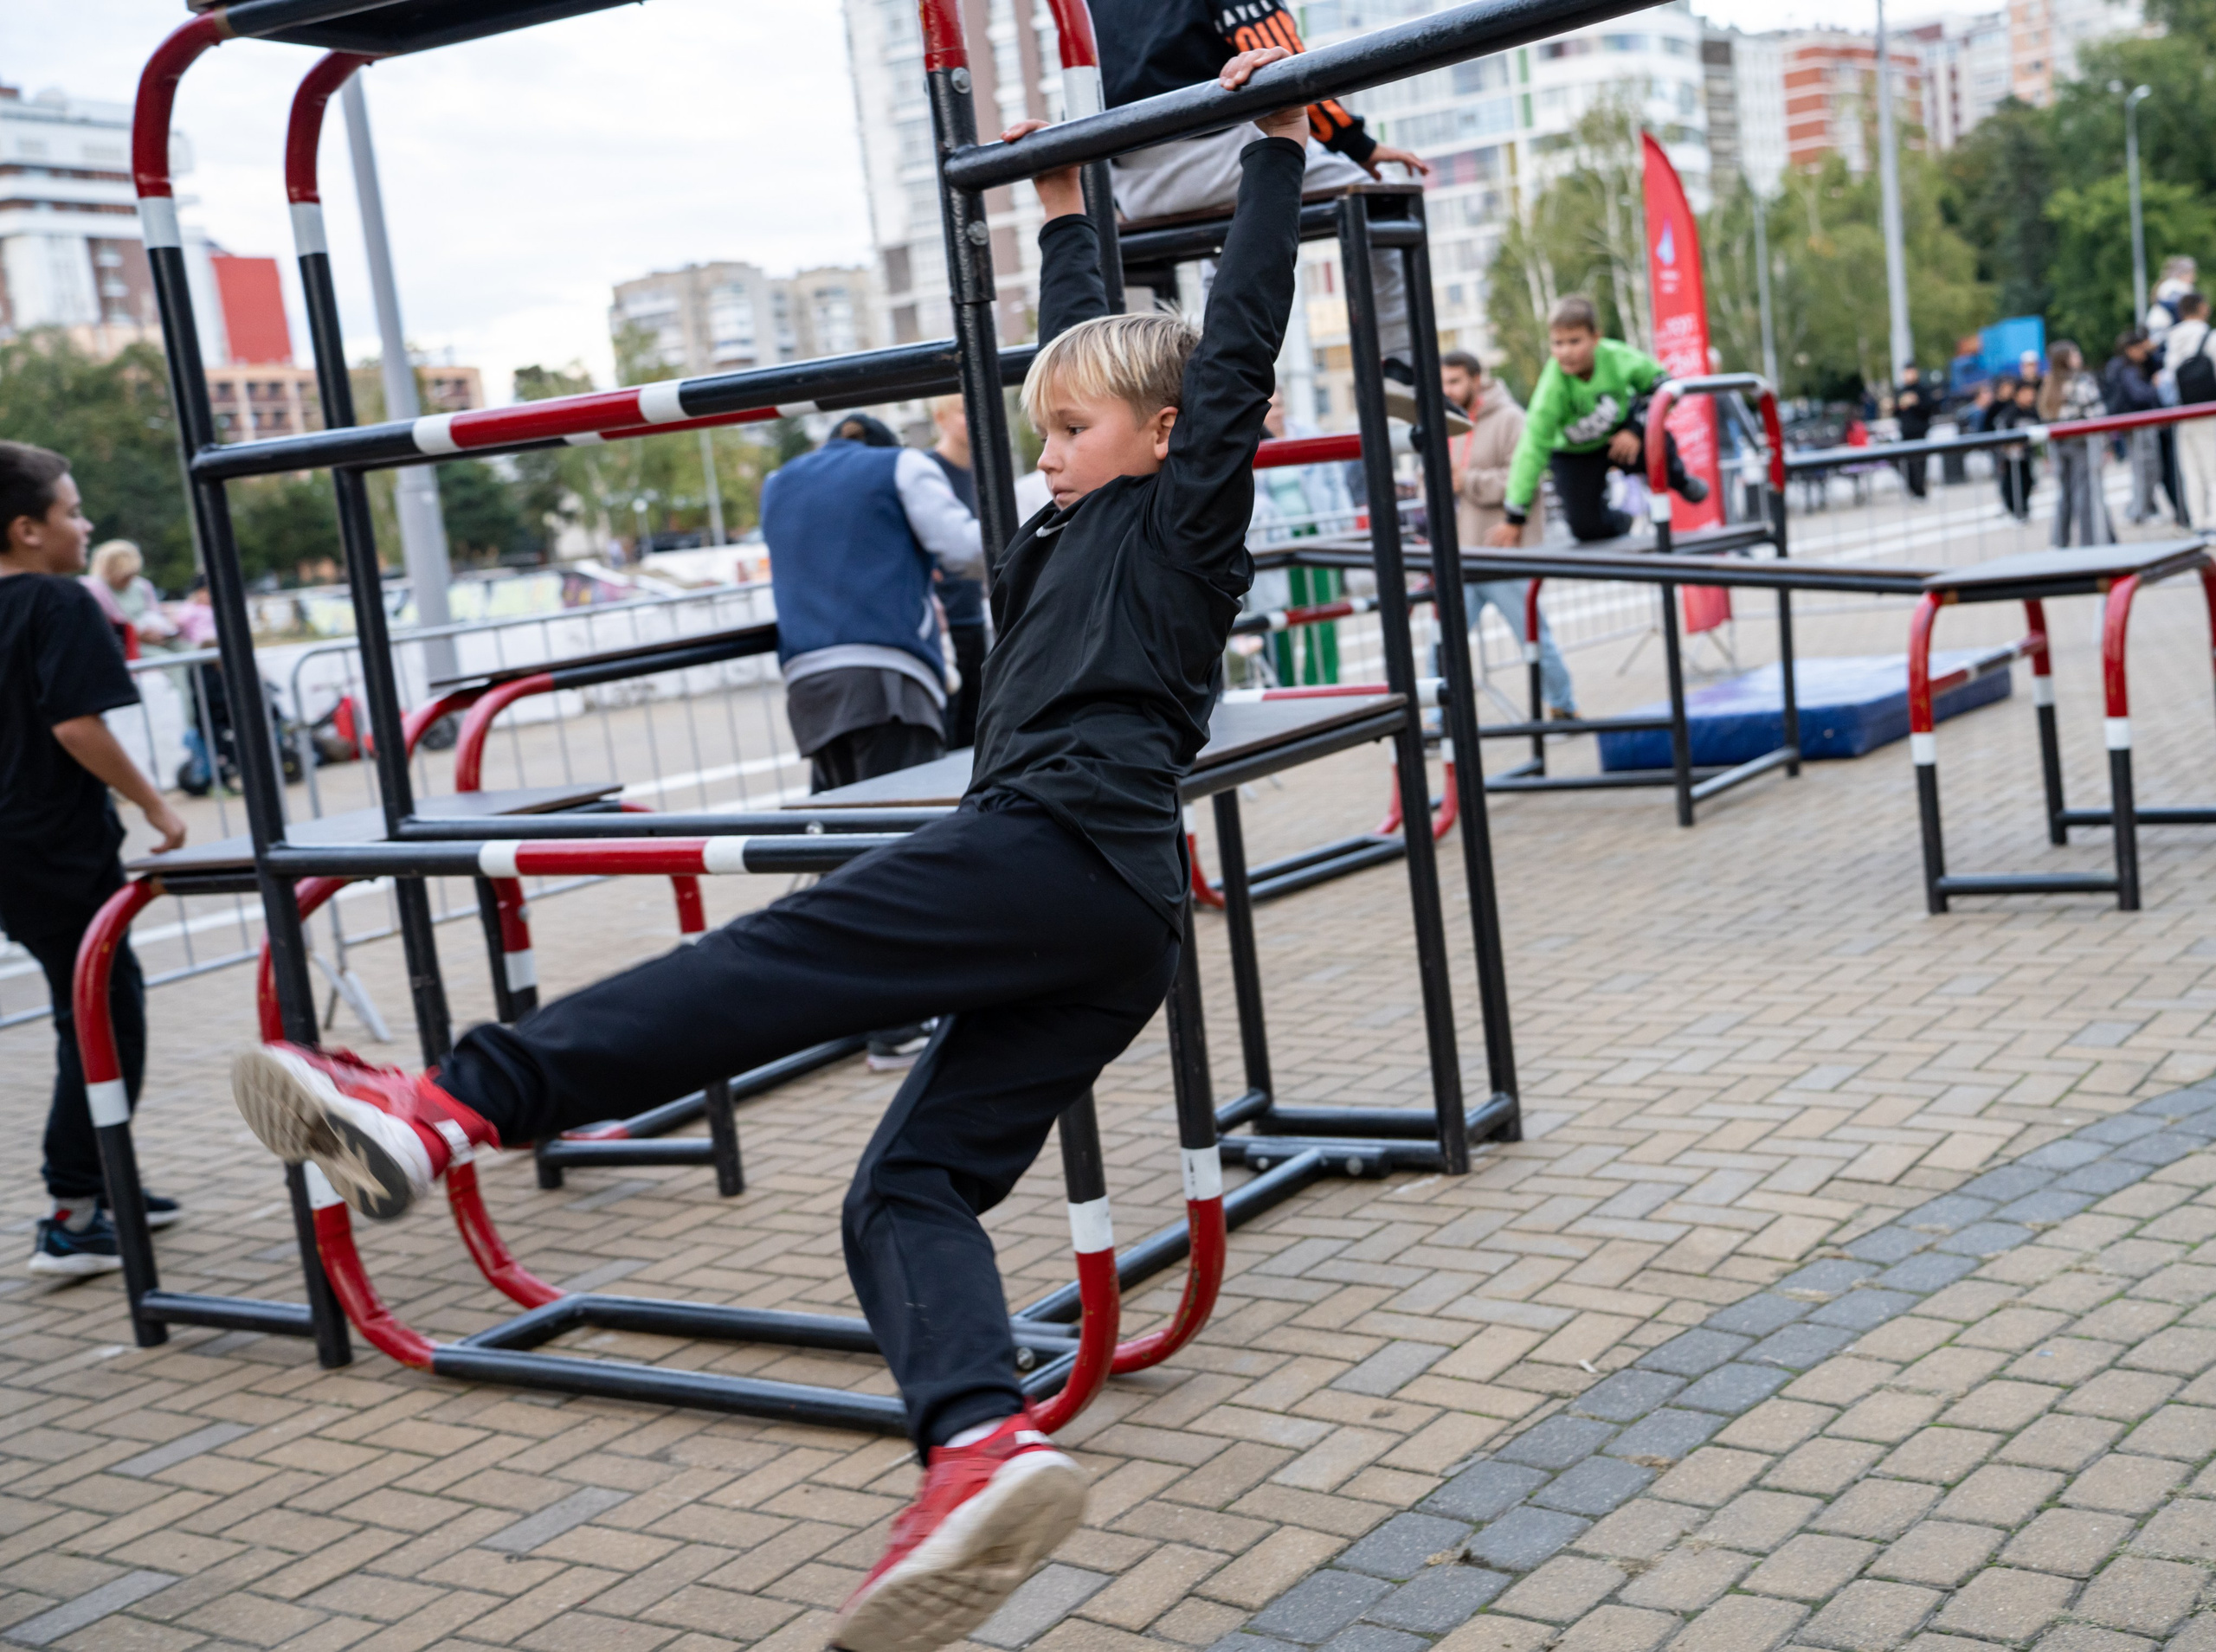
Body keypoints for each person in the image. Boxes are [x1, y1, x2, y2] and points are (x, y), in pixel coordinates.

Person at [221, 47, 1311, 1652]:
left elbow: (1227, 353)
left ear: (1163, 433)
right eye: (1044, 428)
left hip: (1057, 847)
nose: (1047, 448)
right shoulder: (1071, 514)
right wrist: (1068, 196)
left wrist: (1276, 143)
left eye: (1075, 426)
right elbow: (1080, 342)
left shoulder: (1182, 507)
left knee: (765, 963)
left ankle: (453, 1101)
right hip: (1111, 916)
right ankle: (973, 1446)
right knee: (905, 1191)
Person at [1091, 0, 1464, 433]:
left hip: (1134, 185)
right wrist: (1356, 144)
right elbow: (1276, 56)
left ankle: (1223, 380)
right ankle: (1402, 363)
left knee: (1231, 238)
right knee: (1381, 202)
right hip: (1217, 149)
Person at [0, 442, 189, 1277]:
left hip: (14, 849)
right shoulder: (58, 603)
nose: (84, 525)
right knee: (108, 1012)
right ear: (27, 529)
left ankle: (104, 1180)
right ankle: (73, 1210)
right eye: (72, 512)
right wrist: (154, 803)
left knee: (84, 1008)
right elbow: (76, 726)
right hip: (53, 845)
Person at [762, 408, 983, 1071]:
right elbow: (965, 549)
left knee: (848, 850)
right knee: (901, 853)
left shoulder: (780, 480)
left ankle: (851, 1004)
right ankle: (896, 1026)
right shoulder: (903, 466)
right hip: (888, 672)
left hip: (809, 681)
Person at [1490, 294, 1709, 546]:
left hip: (1620, 436)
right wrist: (1515, 515)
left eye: (1574, 342)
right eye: (1558, 343)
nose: (1566, 352)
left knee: (1656, 439)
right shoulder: (1551, 389)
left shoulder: (1617, 357)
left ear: (1596, 338)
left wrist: (1636, 429)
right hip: (1575, 453)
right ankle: (1621, 521)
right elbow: (1531, 449)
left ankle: (1679, 478)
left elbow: (1666, 388)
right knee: (1584, 528)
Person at [1441, 350, 1575, 717]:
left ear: (1475, 378)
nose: (1447, 390)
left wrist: (1466, 481)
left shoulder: (1511, 419)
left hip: (1504, 552)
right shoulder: (1446, 423)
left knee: (1533, 637)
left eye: (1454, 381)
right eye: (1442, 383)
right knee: (1443, 642)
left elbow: (1524, 478)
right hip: (1462, 553)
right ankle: (1437, 718)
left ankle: (1563, 705)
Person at [923, 395, 989, 749]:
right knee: (946, 732)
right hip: (943, 624)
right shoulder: (926, 472)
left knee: (975, 733)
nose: (974, 419)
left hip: (974, 617)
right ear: (940, 418)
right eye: (965, 411)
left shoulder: (983, 471)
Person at [2037, 340, 2111, 547]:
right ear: (2066, 359)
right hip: (2082, 442)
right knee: (2087, 493)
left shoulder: (2050, 383)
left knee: (2066, 494)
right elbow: (2096, 414)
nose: (2079, 357)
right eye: (2075, 354)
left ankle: (2061, 541)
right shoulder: (2081, 381)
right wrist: (2106, 443)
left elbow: (2045, 416)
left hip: (2059, 444)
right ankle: (2090, 542)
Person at [2165, 292, 2216, 527]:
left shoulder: (2172, 338)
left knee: (2190, 470)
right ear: (2202, 307)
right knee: (2213, 467)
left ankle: (2197, 521)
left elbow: (2168, 379)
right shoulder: (2209, 336)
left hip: (2183, 412)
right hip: (2208, 410)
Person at [2103, 329, 2163, 524]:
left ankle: (2140, 509)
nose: (2144, 352)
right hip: (2138, 422)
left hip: (2129, 423)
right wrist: (2154, 387)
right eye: (2140, 348)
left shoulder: (2120, 365)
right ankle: (2139, 511)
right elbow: (2139, 394)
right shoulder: (2127, 368)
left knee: (2143, 467)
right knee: (2146, 467)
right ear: (2130, 349)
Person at [83, 540, 178, 658]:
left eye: (131, 576)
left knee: (187, 648)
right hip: (125, 644)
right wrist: (137, 635)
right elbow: (112, 626)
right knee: (165, 658)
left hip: (151, 636)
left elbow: (154, 612)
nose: (128, 581)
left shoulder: (142, 585)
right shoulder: (95, 587)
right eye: (124, 576)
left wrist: (161, 631)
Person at [1991, 377, 2040, 521]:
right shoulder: (2009, 413)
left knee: (2028, 482)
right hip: (2010, 458)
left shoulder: (2033, 412)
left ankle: (2023, 510)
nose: (2030, 396)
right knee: (2011, 484)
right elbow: (2001, 433)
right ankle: (2014, 511)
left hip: (2026, 456)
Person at [1893, 364, 1933, 499]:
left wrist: (1916, 403)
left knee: (1920, 464)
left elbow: (1928, 409)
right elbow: (1896, 412)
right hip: (1906, 432)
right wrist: (1899, 406)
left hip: (1920, 432)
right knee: (1908, 464)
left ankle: (1920, 492)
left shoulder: (1922, 390)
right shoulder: (1901, 390)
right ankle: (1913, 490)